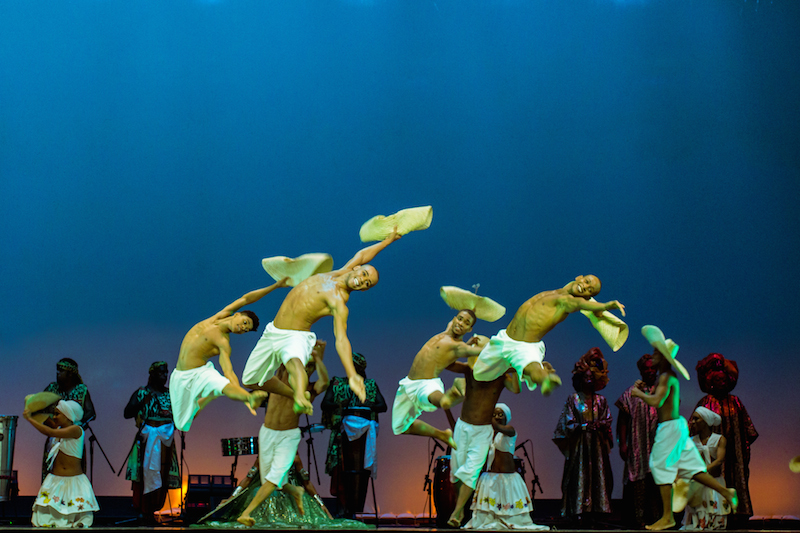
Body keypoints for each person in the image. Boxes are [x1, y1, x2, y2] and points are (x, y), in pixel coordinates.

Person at [243, 229, 401, 415]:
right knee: (249, 379)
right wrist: (387, 242)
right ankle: (294, 394)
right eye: (365, 275)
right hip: (273, 330)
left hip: (296, 336)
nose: (363, 281)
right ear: (358, 268)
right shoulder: (340, 272)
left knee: (294, 364)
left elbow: (341, 339)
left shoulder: (339, 302)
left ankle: (301, 395)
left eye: (368, 284)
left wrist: (352, 375)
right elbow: (362, 254)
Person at [631, 326, 737, 531]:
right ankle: (726, 492)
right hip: (676, 426)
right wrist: (643, 388)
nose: (653, 356)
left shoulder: (665, 377)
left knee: (660, 467)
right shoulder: (667, 377)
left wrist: (638, 394)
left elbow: (655, 401)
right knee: (692, 468)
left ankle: (667, 517)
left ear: (663, 357)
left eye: (655, 353)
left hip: (669, 428)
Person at [169, 279, 291, 431]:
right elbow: (246, 299)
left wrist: (246, 398)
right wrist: (276, 285)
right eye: (245, 323)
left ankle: (248, 397)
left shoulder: (223, 342)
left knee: (222, 384)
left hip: (201, 373)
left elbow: (228, 372)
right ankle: (211, 396)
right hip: (179, 376)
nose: (243, 328)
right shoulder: (220, 316)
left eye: (245, 330)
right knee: (181, 424)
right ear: (237, 314)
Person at [473, 275, 625, 395]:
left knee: (531, 366)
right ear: (579, 278)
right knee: (479, 374)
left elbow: (583, 305)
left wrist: (607, 305)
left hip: (525, 346)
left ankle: (546, 379)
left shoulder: (568, 302)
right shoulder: (559, 291)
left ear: (587, 297)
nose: (585, 287)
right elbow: (583, 296)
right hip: (504, 338)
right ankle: (518, 369)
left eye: (589, 290)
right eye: (586, 282)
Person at [237, 340, 330, 527]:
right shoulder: (278, 379)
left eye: (311, 367)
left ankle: (246, 514)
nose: (308, 370)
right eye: (306, 365)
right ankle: (295, 491)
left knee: (272, 479)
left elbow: (325, 382)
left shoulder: (309, 390)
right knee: (272, 480)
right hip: (267, 432)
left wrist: (319, 358)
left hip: (289, 435)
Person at [442, 336, 520, 527]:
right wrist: (465, 347)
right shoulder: (470, 370)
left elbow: (516, 389)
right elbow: (448, 364)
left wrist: (514, 367)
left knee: (471, 471)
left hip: (483, 430)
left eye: (480, 345)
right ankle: (460, 509)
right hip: (463, 427)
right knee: (457, 472)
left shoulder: (501, 376)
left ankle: (457, 512)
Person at [391, 310, 487, 449]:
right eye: (460, 319)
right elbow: (460, 313)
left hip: (427, 383)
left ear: (470, 329)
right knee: (399, 427)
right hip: (408, 383)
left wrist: (498, 347)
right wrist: (471, 306)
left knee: (436, 399)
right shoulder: (448, 330)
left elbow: (481, 352)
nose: (461, 323)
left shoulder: (459, 347)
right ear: (454, 319)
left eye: (467, 323)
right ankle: (442, 435)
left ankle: (449, 396)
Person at [694, 352, 758, 526]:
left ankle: (739, 513)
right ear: (710, 382)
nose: (722, 384)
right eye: (717, 381)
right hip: (713, 457)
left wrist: (739, 449)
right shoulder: (705, 403)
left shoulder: (735, 402)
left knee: (737, 478)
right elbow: (693, 430)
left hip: (736, 456)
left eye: (724, 380)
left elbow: (749, 431)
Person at [321, 352, 387, 518]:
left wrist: (367, 403)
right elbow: (325, 403)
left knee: (359, 471)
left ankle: (354, 508)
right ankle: (342, 508)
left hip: (362, 439)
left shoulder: (370, 385)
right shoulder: (337, 383)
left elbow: (382, 405)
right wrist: (340, 404)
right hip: (341, 436)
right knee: (340, 470)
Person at [552, 347, 614, 522]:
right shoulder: (574, 399)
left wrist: (599, 425)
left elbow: (607, 419)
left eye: (591, 377)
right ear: (579, 379)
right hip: (579, 444)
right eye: (585, 377)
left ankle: (599, 507)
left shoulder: (601, 400)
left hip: (597, 445)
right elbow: (567, 422)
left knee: (598, 474)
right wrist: (584, 426)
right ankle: (578, 508)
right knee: (579, 475)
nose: (588, 380)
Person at [464, 404, 548, 531]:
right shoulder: (489, 434)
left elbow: (497, 426)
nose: (497, 417)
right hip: (490, 479)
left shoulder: (510, 430)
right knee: (487, 519)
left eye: (500, 414)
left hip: (508, 479)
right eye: (494, 414)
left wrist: (485, 414)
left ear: (506, 417)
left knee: (513, 518)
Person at [24, 400, 99, 528]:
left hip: (74, 483)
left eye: (57, 414)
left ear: (67, 415)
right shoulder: (60, 428)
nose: (54, 417)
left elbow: (50, 432)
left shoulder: (76, 430)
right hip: (54, 482)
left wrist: (30, 419)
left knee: (74, 518)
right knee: (45, 519)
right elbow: (50, 425)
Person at [123, 361, 180, 523]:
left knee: (163, 473)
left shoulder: (171, 394)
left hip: (165, 440)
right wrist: (142, 402)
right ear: (153, 374)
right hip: (146, 439)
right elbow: (127, 413)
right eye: (161, 373)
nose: (164, 376)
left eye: (166, 373)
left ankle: (155, 509)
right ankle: (143, 510)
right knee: (143, 473)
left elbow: (179, 416)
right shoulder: (142, 393)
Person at [616, 353, 661, 529]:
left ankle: (658, 518)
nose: (650, 371)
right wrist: (623, 444)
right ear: (641, 371)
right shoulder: (631, 393)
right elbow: (622, 421)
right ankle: (638, 519)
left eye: (652, 368)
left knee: (657, 481)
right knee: (638, 481)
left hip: (658, 444)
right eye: (646, 368)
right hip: (637, 445)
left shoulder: (662, 391)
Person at [42, 358, 95, 480]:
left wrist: (77, 426)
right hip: (54, 437)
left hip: (74, 441)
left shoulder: (81, 390)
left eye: (61, 371)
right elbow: (38, 409)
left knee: (74, 475)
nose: (57, 374)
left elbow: (91, 413)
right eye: (57, 371)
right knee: (51, 473)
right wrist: (49, 422)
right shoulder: (51, 389)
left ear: (70, 373)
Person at [680, 406, 731, 530]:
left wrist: (703, 470)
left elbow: (719, 460)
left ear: (705, 421)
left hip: (714, 482)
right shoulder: (692, 441)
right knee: (697, 517)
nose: (693, 422)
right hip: (698, 486)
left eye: (696, 419)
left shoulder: (719, 439)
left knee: (715, 519)